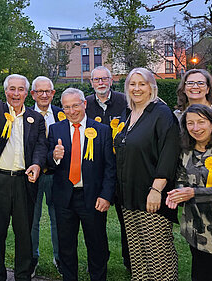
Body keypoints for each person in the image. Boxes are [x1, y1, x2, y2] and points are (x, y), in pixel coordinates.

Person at [0, 58, 47, 280]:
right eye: (12, 89)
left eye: (21, 89)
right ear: (5, 92)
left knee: (24, 235)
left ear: (27, 93)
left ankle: (23, 276)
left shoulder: (36, 118)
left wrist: (37, 164)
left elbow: (41, 146)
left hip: (25, 182)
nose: (16, 93)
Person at [113, 67, 180, 280]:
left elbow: (169, 155)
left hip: (151, 198)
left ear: (152, 87)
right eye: (132, 84)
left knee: (158, 256)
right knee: (138, 257)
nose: (137, 88)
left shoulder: (161, 114)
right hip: (129, 197)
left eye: (142, 84)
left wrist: (156, 189)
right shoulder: (128, 114)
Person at [48, 88, 115, 281]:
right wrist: (54, 157)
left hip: (93, 197)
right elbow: (48, 163)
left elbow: (110, 168)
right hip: (64, 198)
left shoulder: (101, 130)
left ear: (84, 104)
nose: (71, 111)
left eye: (75, 105)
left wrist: (106, 195)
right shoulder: (56, 129)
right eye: (67, 107)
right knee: (66, 246)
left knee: (97, 244)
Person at [166, 104, 212, 281]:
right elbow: (181, 178)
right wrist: (178, 193)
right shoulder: (185, 151)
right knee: (201, 274)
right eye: (190, 123)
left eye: (201, 122)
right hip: (198, 231)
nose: (196, 128)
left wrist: (193, 193)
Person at [85, 66, 129, 270]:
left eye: (105, 79)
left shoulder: (125, 101)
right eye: (96, 79)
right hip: (95, 170)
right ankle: (99, 260)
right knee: (95, 221)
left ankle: (131, 262)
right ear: (91, 82)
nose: (101, 82)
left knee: (127, 220)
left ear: (111, 81)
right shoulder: (85, 104)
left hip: (122, 168)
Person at [28, 76, 63, 276]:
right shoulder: (25, 114)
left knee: (58, 218)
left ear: (52, 93)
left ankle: (59, 258)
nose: (43, 95)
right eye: (39, 91)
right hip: (34, 175)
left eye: (47, 91)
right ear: (32, 94)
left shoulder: (61, 114)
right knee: (31, 219)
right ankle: (32, 258)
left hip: (56, 175)